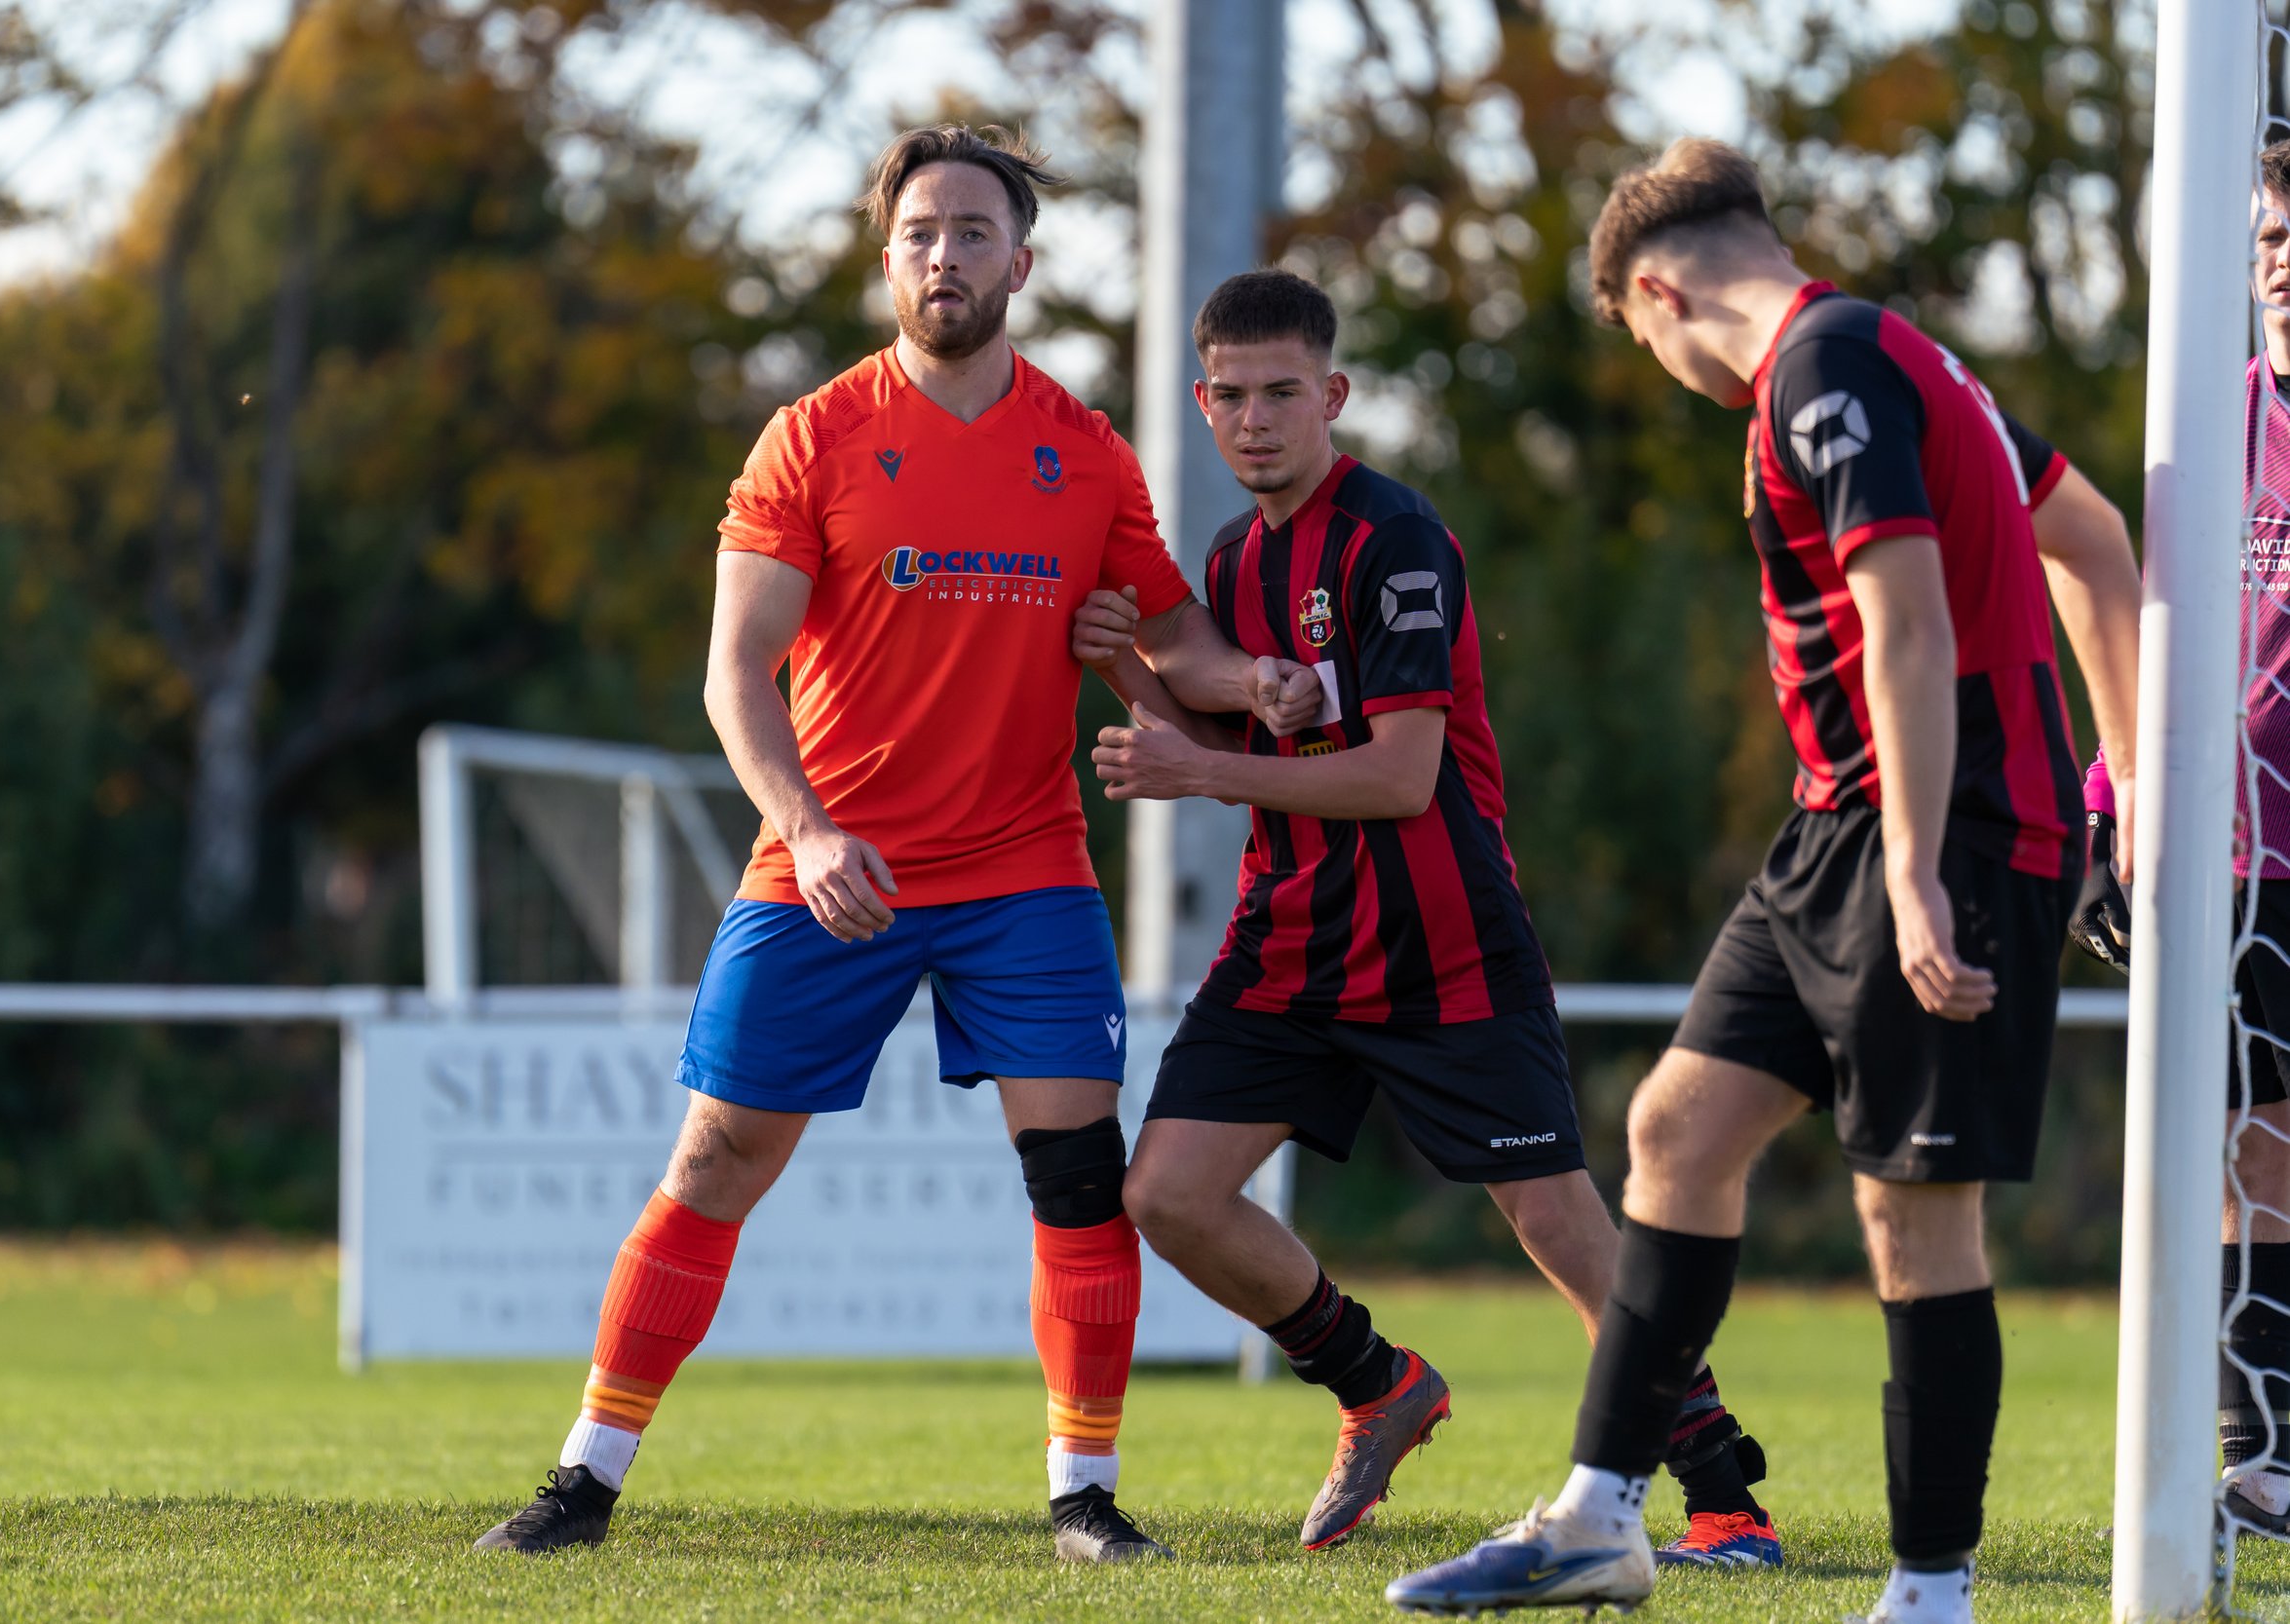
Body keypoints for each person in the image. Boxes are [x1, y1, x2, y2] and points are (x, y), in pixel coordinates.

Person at [470, 123, 1318, 1563]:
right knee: (718, 1160)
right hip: (828, 865)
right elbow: (734, 675)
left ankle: (1083, 1500)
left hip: (1024, 872)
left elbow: (1174, 636)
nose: (945, 255)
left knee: (1075, 1173)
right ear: (888, 261)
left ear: (1021, 263)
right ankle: (585, 1481)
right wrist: (803, 832)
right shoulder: (813, 436)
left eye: (973, 232)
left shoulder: (1086, 449)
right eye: (921, 232)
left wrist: (1259, 684)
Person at [1385, 138, 2140, 1624]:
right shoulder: (1910, 355)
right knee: (1677, 1128)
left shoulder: (1823, 367)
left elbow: (1907, 623)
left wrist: (1931, 868)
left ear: (1655, 292)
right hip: (1837, 830)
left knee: (1914, 1222)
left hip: (1945, 832)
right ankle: (1603, 1519)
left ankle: (1932, 1596)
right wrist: (2121, 773)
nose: (1661, 367)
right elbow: (2096, 541)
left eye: (1639, 338)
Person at [1073, 268, 1784, 1568]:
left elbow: (1399, 779)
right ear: (1202, 404)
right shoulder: (1236, 556)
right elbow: (1227, 730)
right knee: (1167, 1197)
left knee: (1565, 1232)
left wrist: (1200, 772)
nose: (1256, 421)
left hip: (1442, 944)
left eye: (1284, 393)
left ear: (1333, 395)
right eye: (1229, 397)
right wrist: (1127, 665)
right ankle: (1377, 1384)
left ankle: (1728, 1499)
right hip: (1289, 943)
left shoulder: (1394, 536)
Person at [2071, 137, 2290, 1539]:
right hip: (2232, 851)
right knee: (2237, 1143)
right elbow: (2149, 626)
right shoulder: (2215, 418)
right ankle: (2256, 1447)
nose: (2280, 256)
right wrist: (2106, 811)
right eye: (2270, 232)